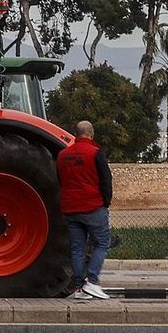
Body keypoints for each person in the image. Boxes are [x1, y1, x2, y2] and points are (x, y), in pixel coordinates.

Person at [56, 120, 113, 300]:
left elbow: (61, 179)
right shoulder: (96, 153)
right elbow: (106, 180)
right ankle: (93, 282)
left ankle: (79, 288)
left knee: (77, 249)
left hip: (71, 208)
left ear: (76, 134)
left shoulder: (62, 155)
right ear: (91, 134)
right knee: (102, 243)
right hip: (92, 206)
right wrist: (106, 202)